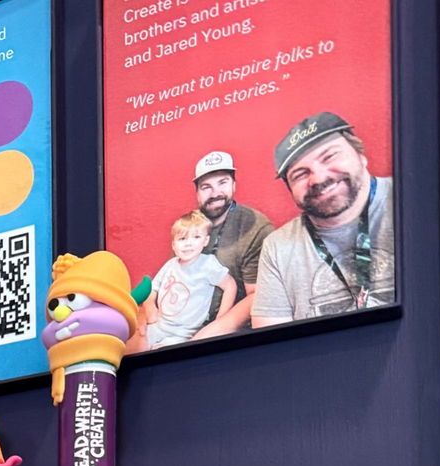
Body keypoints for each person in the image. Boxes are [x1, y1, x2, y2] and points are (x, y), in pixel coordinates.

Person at [253, 112, 395, 326]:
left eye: (329, 156)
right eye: (300, 174)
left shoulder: (419, 196)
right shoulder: (276, 247)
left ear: (360, 155)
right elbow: (271, 346)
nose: (318, 178)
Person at [188, 149, 272, 338]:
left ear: (234, 185)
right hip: (184, 322)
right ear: (197, 193)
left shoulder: (256, 226)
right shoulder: (189, 226)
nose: (215, 193)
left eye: (222, 183)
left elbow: (257, 296)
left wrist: (201, 339)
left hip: (232, 337)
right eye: (206, 187)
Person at [138, 211, 237, 350]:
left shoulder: (208, 264)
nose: (188, 244)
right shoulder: (171, 264)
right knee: (132, 344)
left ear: (206, 241)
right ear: (173, 245)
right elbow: (153, 288)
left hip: (183, 333)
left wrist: (220, 320)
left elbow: (230, 286)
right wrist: (150, 307)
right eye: (182, 239)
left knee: (159, 353)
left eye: (196, 237)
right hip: (159, 326)